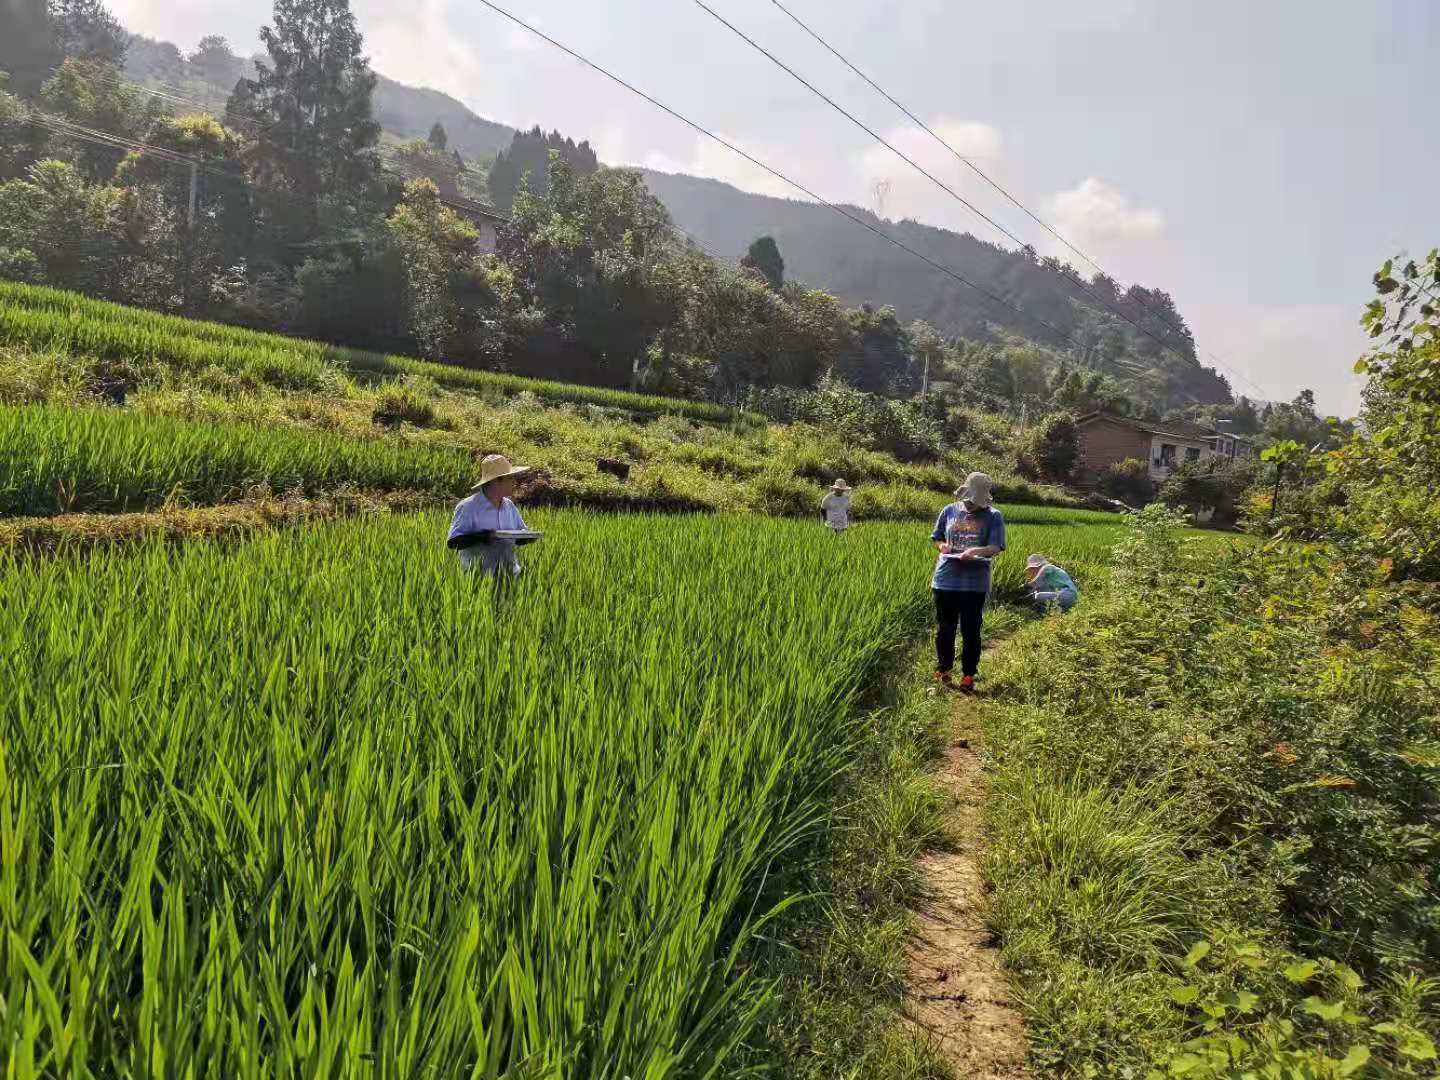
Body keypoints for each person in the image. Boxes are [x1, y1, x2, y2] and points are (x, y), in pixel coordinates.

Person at [930, 472, 1006, 693]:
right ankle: (943, 669)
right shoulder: (949, 510)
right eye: (970, 499)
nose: (972, 504)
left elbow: (995, 547)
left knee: (971, 630)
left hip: (974, 583)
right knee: (945, 628)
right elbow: (936, 536)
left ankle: (968, 675)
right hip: (945, 580)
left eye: (976, 501)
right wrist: (942, 546)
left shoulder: (993, 516)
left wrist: (975, 551)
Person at [447, 454, 536, 576]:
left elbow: (518, 538)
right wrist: (482, 537)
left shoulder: (509, 506)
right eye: (509, 478)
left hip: (509, 575)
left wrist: (528, 537)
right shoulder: (468, 507)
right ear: (496, 481)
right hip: (478, 578)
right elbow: (453, 542)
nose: (514, 482)